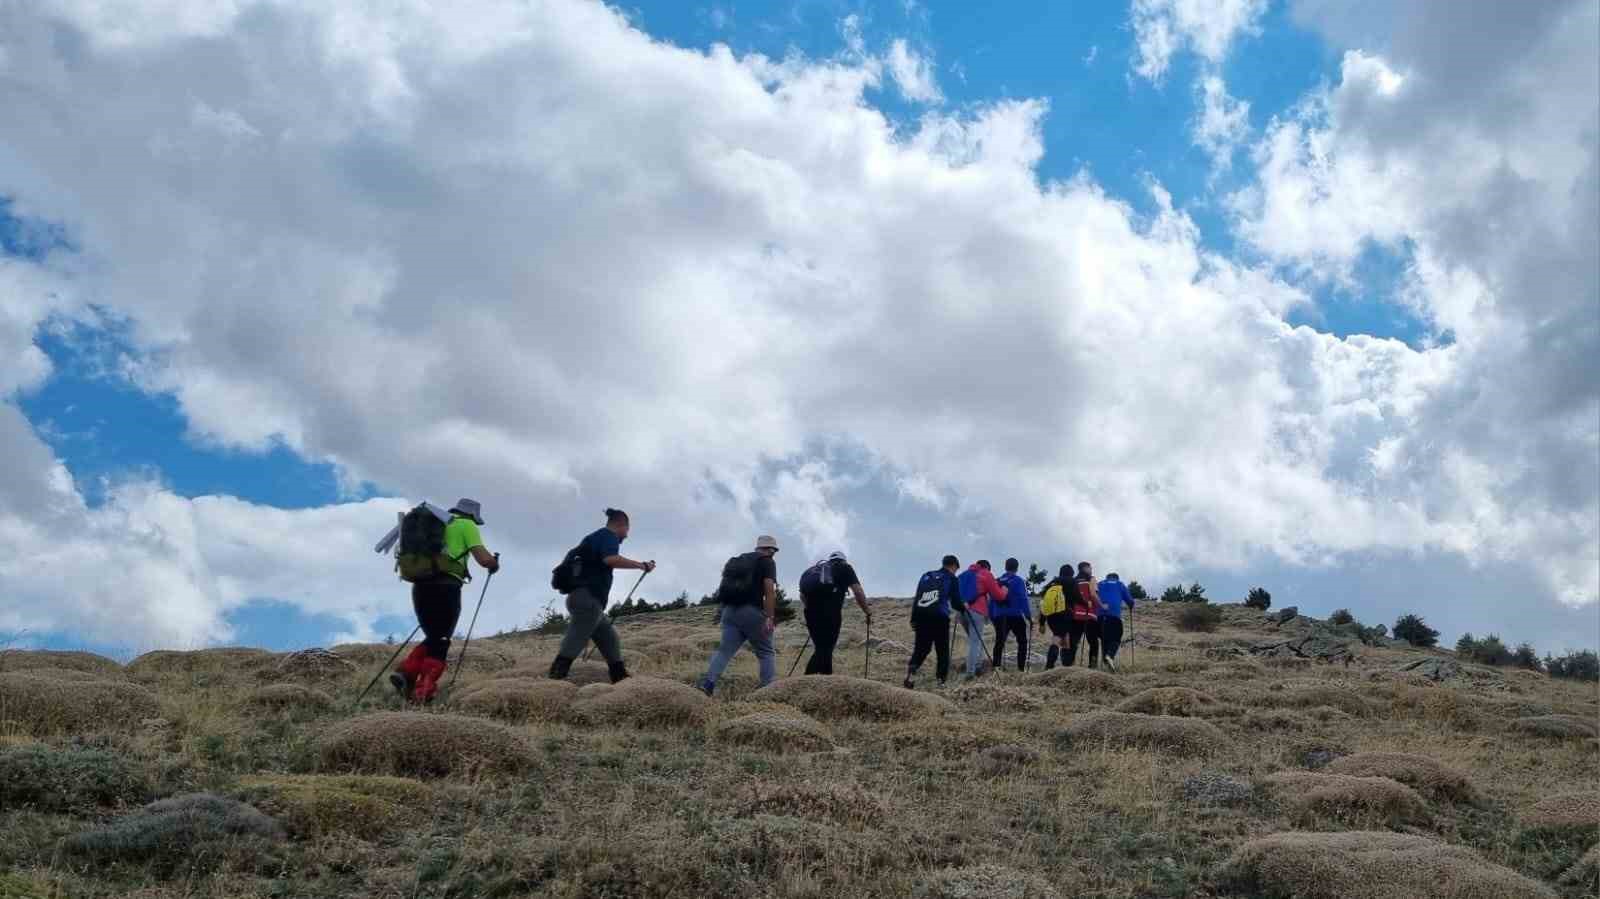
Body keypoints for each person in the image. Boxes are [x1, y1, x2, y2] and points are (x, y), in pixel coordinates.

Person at [390, 498, 499, 703]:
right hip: (446, 586)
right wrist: (494, 564)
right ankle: (423, 689)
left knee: (433, 635)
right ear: (473, 516)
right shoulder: (466, 525)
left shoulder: (439, 522)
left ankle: (406, 673)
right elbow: (483, 559)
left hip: (420, 585)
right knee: (441, 639)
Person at [548, 508, 655, 683]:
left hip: (585, 599)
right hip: (587, 599)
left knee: (609, 637)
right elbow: (610, 559)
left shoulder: (593, 538)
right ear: (620, 525)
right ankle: (555, 677)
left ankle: (619, 676)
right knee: (577, 637)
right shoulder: (608, 536)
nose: (626, 536)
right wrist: (641, 565)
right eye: (626, 530)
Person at [700, 535, 781, 695]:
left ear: (757, 547)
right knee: (766, 652)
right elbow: (769, 590)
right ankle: (767, 691)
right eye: (774, 551)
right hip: (751, 611)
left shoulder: (738, 561)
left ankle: (707, 684)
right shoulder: (767, 561)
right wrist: (770, 617)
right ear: (771, 550)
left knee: (724, 651)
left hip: (729, 611)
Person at [798, 550, 872, 675]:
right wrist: (867, 611)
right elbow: (857, 591)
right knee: (825, 649)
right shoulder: (845, 567)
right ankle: (806, 681)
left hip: (810, 613)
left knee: (822, 648)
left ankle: (826, 678)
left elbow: (802, 595)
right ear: (843, 560)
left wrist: (812, 610)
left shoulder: (812, 570)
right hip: (830, 613)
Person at [904, 554, 966, 689]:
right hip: (939, 617)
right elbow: (955, 602)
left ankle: (912, 671)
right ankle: (941, 681)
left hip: (921, 616)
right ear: (954, 566)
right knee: (942, 650)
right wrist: (963, 608)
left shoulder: (926, 575)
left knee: (921, 648)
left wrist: (913, 618)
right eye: (956, 569)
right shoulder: (952, 578)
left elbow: (918, 596)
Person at [956, 559, 1007, 678]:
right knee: (975, 642)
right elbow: (998, 596)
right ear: (987, 567)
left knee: (976, 640)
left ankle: (978, 666)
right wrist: (1004, 591)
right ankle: (970, 673)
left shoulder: (963, 575)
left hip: (961, 612)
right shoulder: (986, 574)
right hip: (977, 610)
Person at [990, 558, 1030, 672]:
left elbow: (991, 600)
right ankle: (1020, 669)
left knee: (999, 642)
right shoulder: (1018, 581)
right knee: (1022, 642)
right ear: (1017, 568)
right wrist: (1028, 616)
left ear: (1005, 567)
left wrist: (993, 616)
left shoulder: (997, 581)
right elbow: (1023, 599)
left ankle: (996, 668)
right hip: (1015, 615)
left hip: (999, 615)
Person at [1036, 564, 1075, 669]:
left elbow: (1045, 603)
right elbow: (1078, 598)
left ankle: (1066, 667)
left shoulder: (1051, 584)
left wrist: (1042, 623)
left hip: (1051, 617)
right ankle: (1049, 666)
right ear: (1071, 573)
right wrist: (1086, 604)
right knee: (1057, 639)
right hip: (1064, 615)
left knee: (1065, 639)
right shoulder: (1070, 582)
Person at [1066, 561, 1102, 669]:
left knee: (1073, 642)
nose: (1091, 570)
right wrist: (1101, 605)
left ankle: (1069, 665)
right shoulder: (1091, 579)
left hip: (1075, 616)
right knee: (1093, 643)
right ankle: (1092, 666)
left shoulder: (1074, 581)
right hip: (1088, 615)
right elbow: (1093, 594)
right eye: (1090, 568)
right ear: (1085, 568)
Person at [1097, 571, 1134, 672]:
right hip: (1113, 616)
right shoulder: (1120, 584)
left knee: (1105, 639)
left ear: (1107, 578)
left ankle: (1106, 663)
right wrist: (1131, 605)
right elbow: (1130, 600)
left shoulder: (1099, 584)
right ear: (1116, 578)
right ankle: (1110, 656)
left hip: (1099, 617)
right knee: (1116, 638)